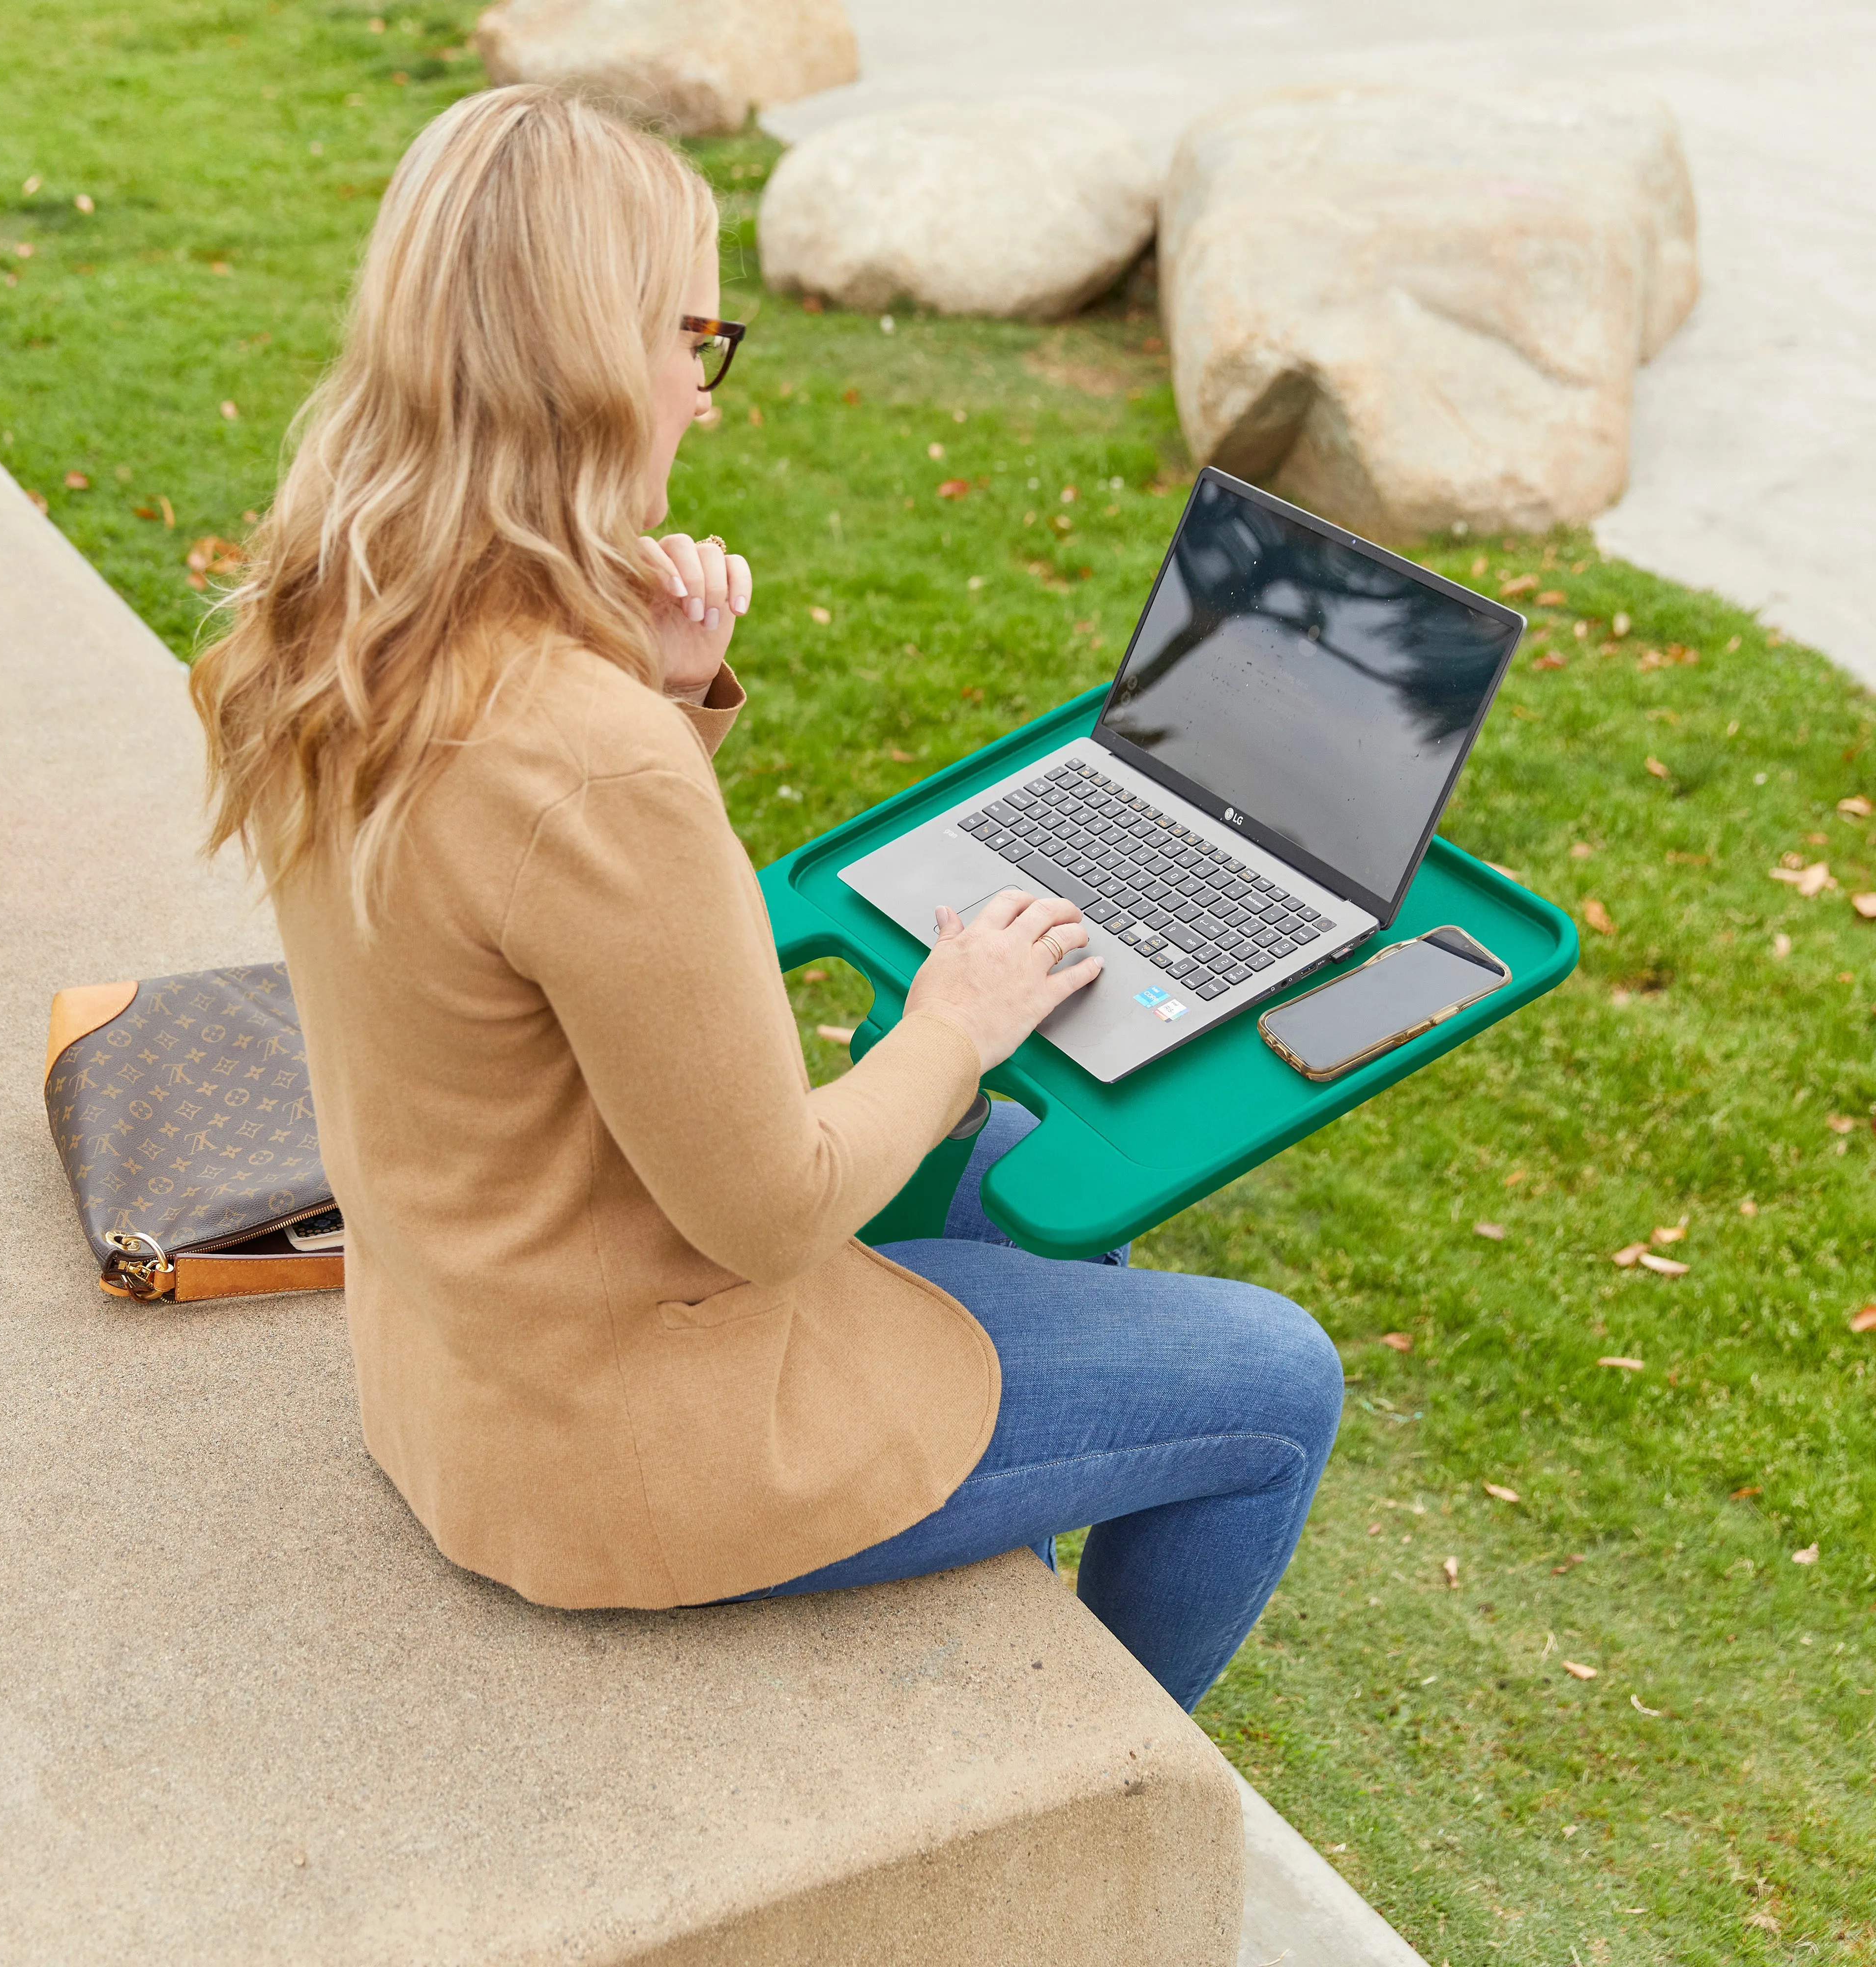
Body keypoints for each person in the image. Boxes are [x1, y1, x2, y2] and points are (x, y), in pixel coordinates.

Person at [189, 86, 1341, 1714]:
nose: (703, 400)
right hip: (614, 1451)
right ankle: (1093, 1768)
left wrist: (651, 694)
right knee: (1273, 1379)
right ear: (588, 358)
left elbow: (518, 922)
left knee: (1006, 1158)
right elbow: (777, 1211)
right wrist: (954, 1015)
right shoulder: (585, 761)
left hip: (465, 1364)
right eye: (694, 341)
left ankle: (1028, 1638)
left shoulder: (318, 626)